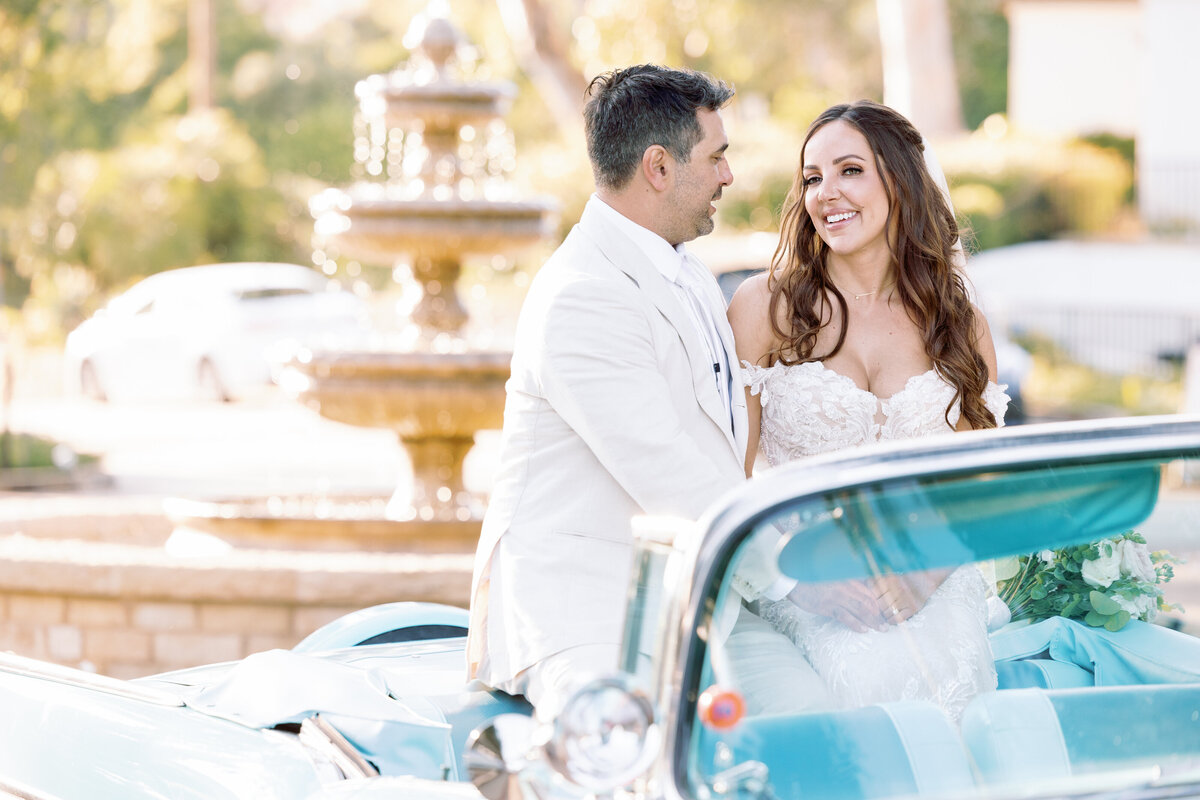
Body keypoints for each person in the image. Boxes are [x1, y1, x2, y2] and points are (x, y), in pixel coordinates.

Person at [466, 65, 808, 716]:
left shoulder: (692, 273)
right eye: (717, 157)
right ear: (659, 167)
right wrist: (796, 579)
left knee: (818, 717)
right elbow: (669, 472)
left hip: (699, 605)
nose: (728, 176)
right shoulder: (582, 295)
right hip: (590, 619)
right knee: (629, 759)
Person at [727, 100, 1010, 722]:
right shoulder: (764, 307)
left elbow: (979, 487)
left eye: (849, 170)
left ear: (900, 182)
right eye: (812, 177)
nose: (826, 193)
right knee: (859, 689)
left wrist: (925, 574)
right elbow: (726, 473)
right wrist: (800, 575)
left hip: (930, 578)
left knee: (943, 692)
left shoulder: (959, 324)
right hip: (803, 580)